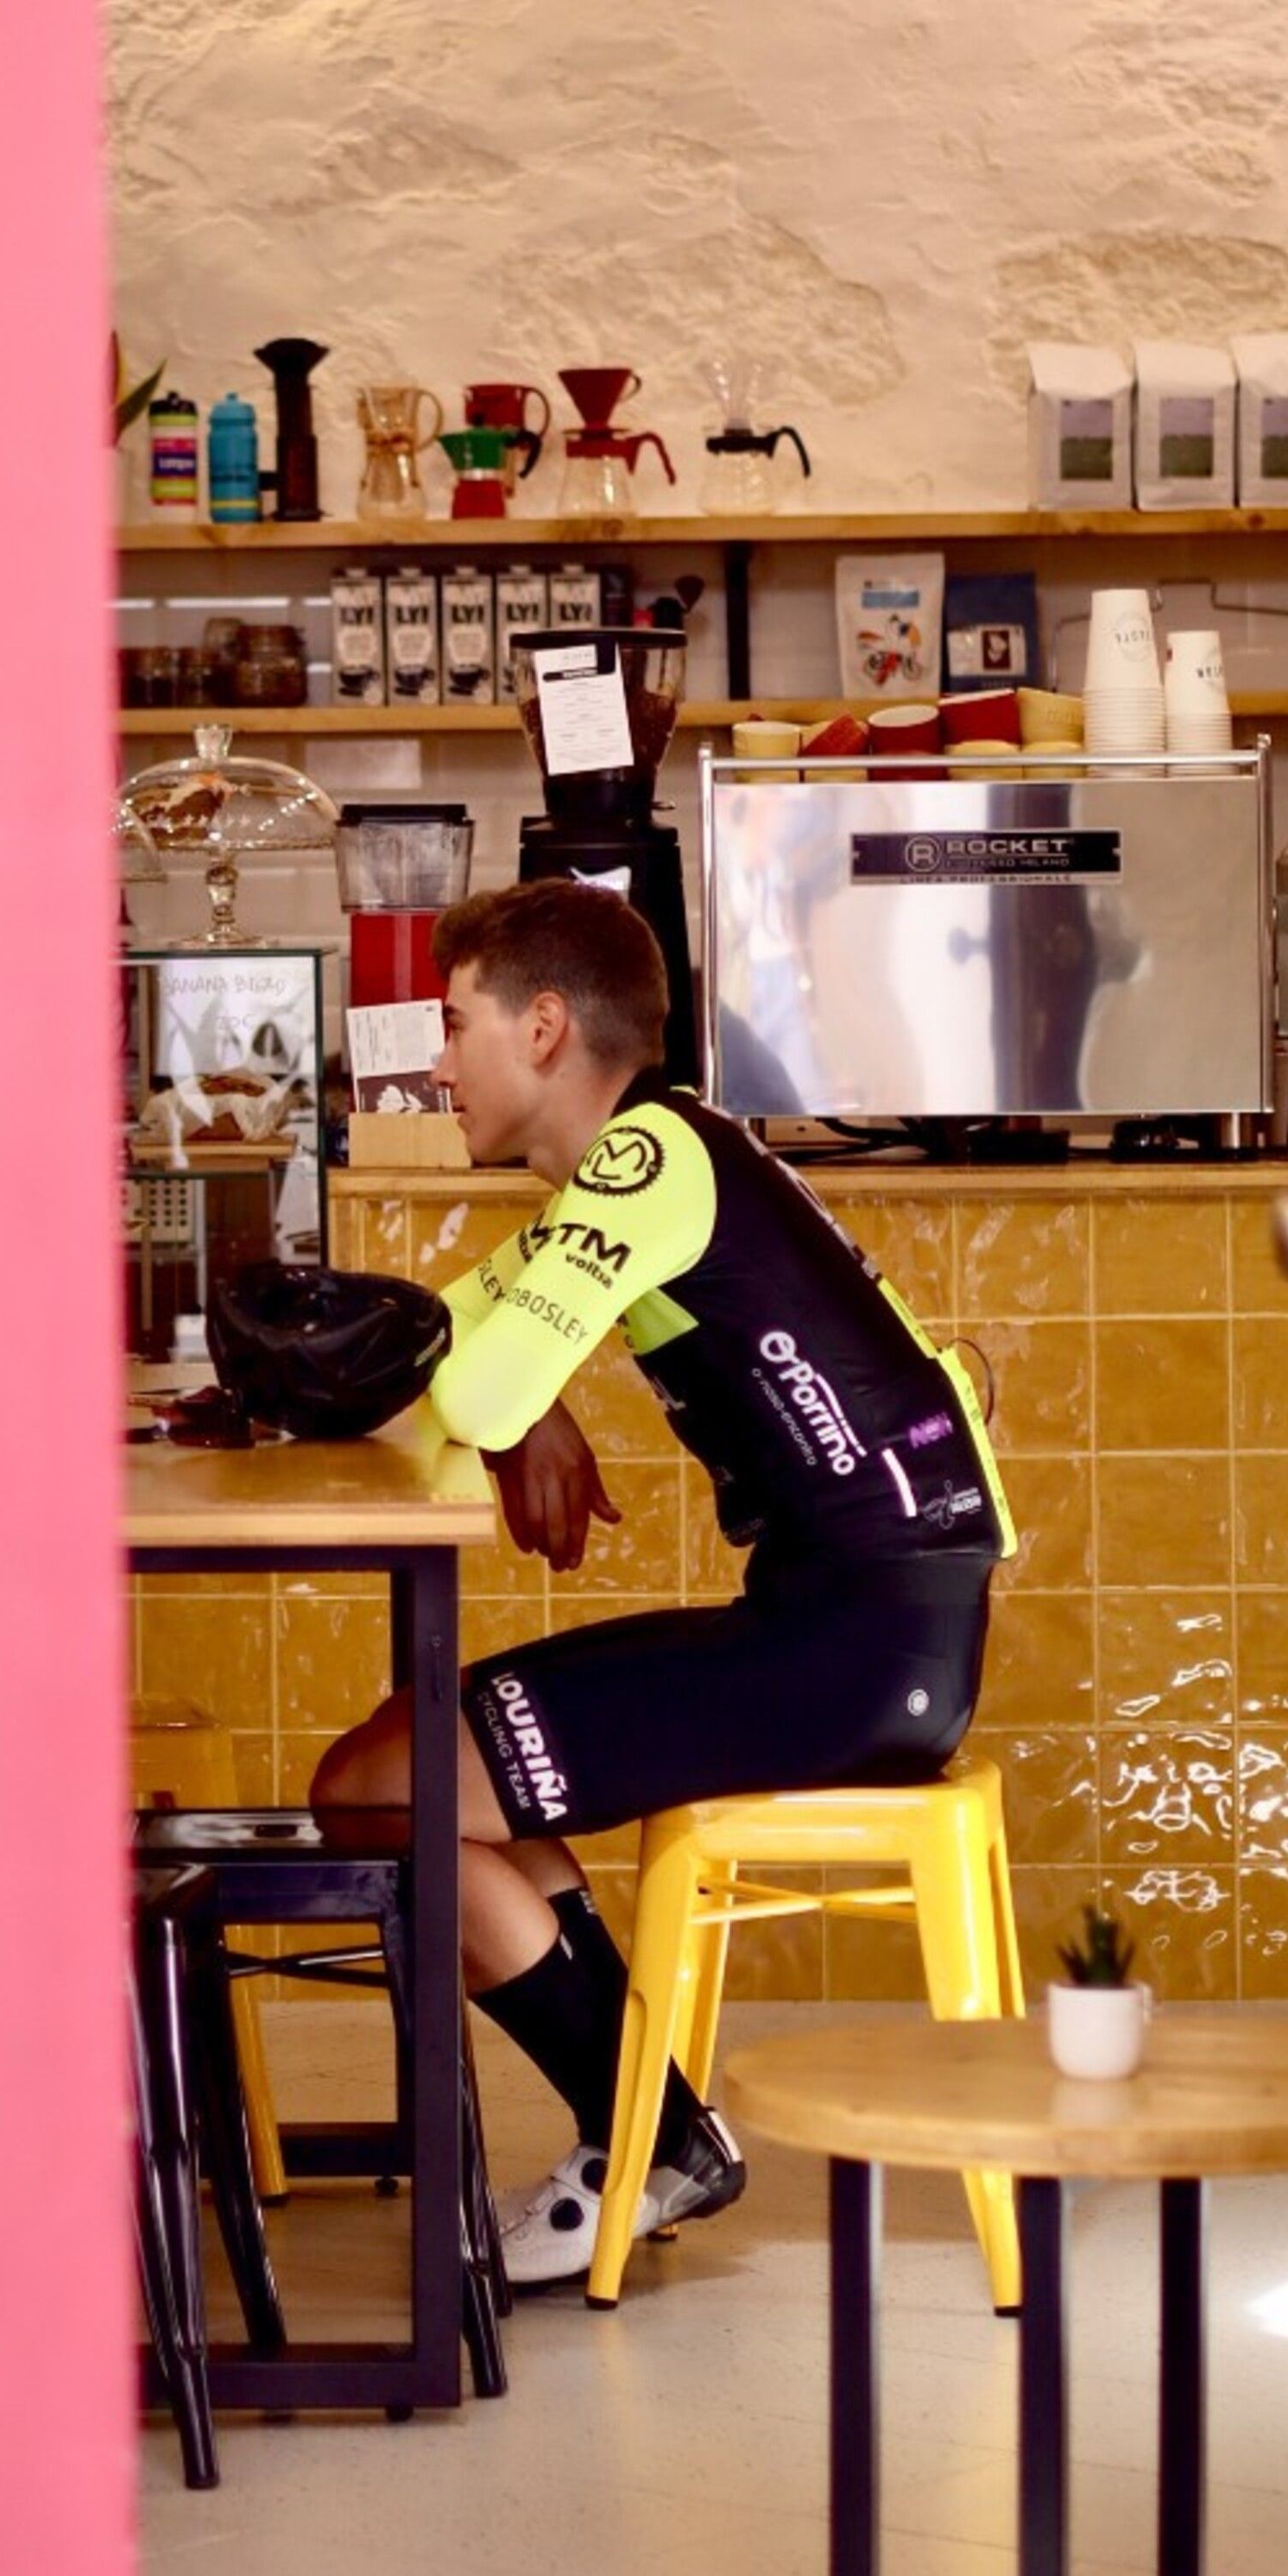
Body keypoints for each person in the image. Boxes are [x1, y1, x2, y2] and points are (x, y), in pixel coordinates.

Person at [311, 879, 1011, 2286]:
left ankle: (656, 2140)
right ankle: (643, 2129)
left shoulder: (652, 1158)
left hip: (855, 1649)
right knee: (403, 1766)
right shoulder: (637, 1169)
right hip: (855, 1633)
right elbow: (453, 1372)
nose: (437, 1064)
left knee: (381, 1789)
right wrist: (515, 1407)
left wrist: (525, 1402)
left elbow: (485, 1379)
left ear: (548, 1026)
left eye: (456, 1027)